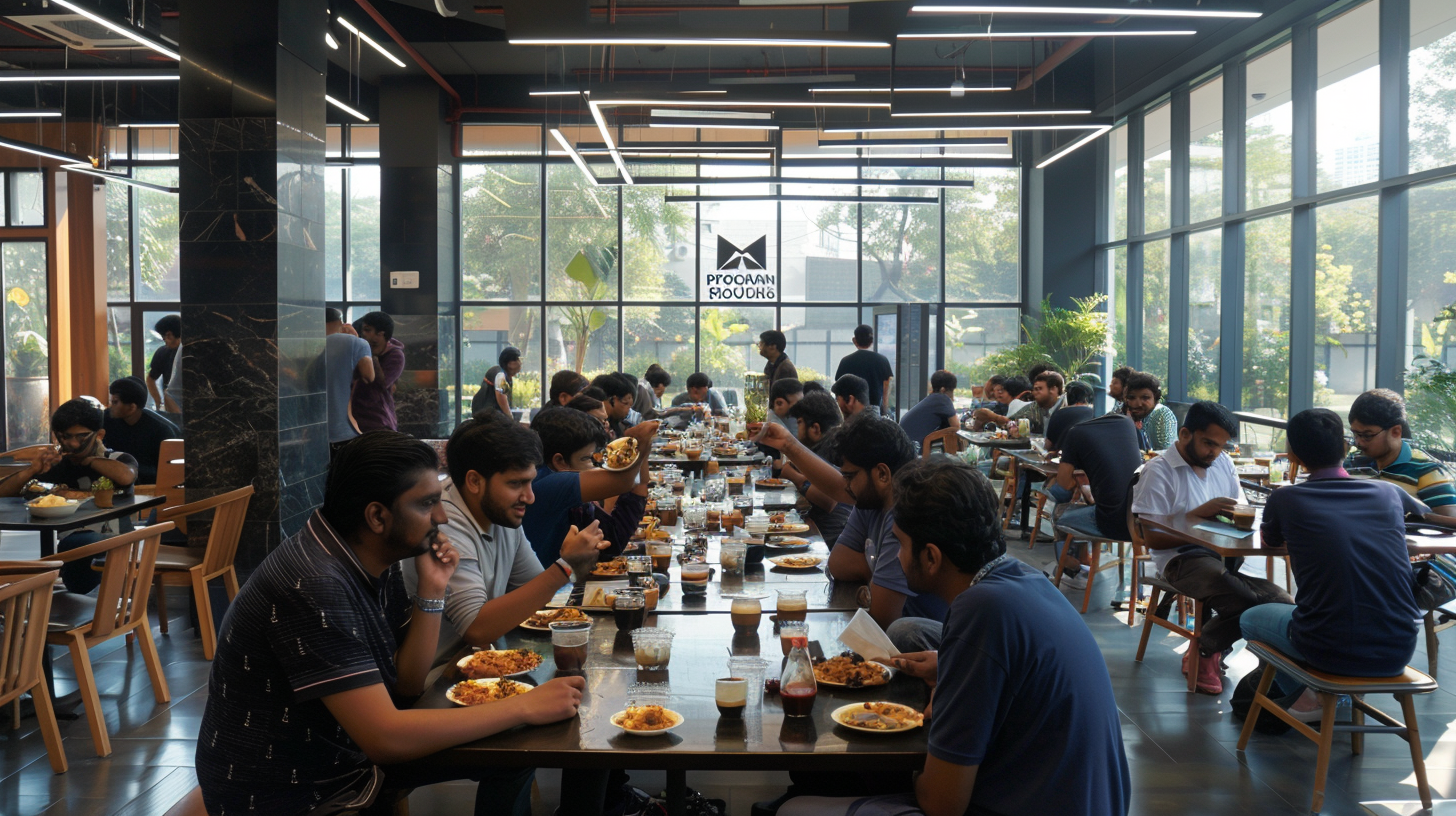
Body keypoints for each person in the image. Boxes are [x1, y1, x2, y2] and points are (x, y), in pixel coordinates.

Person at [195, 431, 585, 816]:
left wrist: (433, 590)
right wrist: (523, 707)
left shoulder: (367, 553)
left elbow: (407, 683)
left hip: (346, 757)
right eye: (428, 503)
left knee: (515, 750)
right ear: (377, 516)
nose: (442, 516)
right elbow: (384, 738)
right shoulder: (315, 584)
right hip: (300, 793)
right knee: (519, 728)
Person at [778, 458, 1130, 816]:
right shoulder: (1020, 577)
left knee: (796, 810)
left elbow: (942, 803)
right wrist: (950, 667)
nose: (895, 557)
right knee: (908, 633)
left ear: (930, 557)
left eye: (899, 544)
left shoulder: (981, 611)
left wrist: (897, 769)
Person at [1242, 409, 1429, 720]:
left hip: (1326, 647)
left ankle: (1309, 698)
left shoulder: (1286, 500)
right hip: (1400, 646)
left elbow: (1270, 543)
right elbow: (1422, 511)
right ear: (1344, 448)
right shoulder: (1388, 493)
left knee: (1249, 618)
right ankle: (1327, 698)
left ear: (1292, 454)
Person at [1130, 401, 1291, 695]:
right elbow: (1151, 538)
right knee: (1241, 597)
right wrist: (1198, 516)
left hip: (1224, 558)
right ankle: (1207, 651)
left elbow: (1237, 510)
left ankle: (1209, 646)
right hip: (1178, 561)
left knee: (1282, 603)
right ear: (1184, 433)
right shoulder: (1159, 471)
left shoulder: (1222, 463)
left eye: (1221, 446)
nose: (1214, 452)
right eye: (1208, 443)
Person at [756, 415, 947, 652]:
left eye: (850, 476)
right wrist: (879, 569)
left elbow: (881, 619)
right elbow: (838, 563)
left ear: (882, 474)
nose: (845, 486)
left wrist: (877, 577)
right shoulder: (870, 501)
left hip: (928, 645)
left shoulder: (905, 515)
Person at [0, 399, 139, 593]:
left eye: (81, 437)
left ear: (99, 435)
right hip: (67, 541)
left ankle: (84, 605)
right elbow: (3, 491)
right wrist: (32, 470)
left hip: (114, 540)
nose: (73, 444)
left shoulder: (118, 459)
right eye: (65, 437)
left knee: (80, 545)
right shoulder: (59, 465)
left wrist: (89, 460)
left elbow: (126, 476)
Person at [523, 407, 658, 565]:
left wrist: (642, 454)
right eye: (587, 459)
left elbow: (613, 541)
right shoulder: (550, 484)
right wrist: (639, 444)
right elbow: (625, 481)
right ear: (559, 461)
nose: (595, 467)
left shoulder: (564, 493)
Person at [1051, 410, 1143, 591]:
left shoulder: (1075, 433)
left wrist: (1078, 472)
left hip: (1112, 523)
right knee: (1090, 505)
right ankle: (1085, 560)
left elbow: (1064, 483)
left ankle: (1073, 569)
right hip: (1141, 524)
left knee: (1059, 513)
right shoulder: (1126, 423)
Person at [1345, 388, 1456, 515]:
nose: (1358, 442)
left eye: (1367, 435)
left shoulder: (1425, 469)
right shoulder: (1352, 463)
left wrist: (1410, 514)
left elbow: (1451, 521)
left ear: (1396, 432)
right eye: (1355, 434)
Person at [784, 392, 851, 546]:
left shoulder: (830, 448)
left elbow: (828, 500)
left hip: (828, 540)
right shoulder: (833, 444)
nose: (797, 432)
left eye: (799, 423)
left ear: (815, 428)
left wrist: (793, 476)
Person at [103, 376, 179, 485]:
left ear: (132, 407)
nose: (111, 406)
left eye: (115, 402)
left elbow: (167, 473)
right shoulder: (107, 419)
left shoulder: (161, 431)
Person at [326, 308, 375, 458]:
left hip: (309, 433)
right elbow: (369, 377)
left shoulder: (306, 342)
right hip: (343, 431)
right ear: (341, 322)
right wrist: (356, 339)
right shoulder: (356, 343)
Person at [353, 311, 406, 433]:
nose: (363, 334)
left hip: (378, 420)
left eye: (367, 330)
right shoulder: (357, 350)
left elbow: (381, 384)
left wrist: (370, 355)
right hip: (353, 417)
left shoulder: (395, 356)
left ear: (381, 334)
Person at [835, 324, 893, 411]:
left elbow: (839, 386)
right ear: (872, 340)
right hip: (874, 409)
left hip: (852, 410)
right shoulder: (882, 360)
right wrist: (884, 406)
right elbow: (887, 384)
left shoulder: (846, 361)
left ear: (854, 340)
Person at [899, 370, 958, 449]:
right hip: (914, 450)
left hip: (904, 447)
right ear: (943, 390)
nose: (952, 397)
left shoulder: (931, 399)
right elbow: (956, 427)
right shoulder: (942, 398)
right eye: (952, 391)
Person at [1123, 371, 1177, 452]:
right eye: (1132, 397)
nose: (1138, 404)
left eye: (1145, 398)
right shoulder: (1123, 414)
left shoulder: (1161, 414)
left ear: (1156, 399)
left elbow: (1165, 455)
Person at [1045, 379, 1094, 456]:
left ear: (1066, 397)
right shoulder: (1097, 413)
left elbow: (1047, 446)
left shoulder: (1059, 413)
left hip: (1068, 461)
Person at [472, 346, 521, 419]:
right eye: (516, 359)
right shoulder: (499, 374)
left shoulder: (504, 375)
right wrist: (509, 416)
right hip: (488, 415)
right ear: (509, 363)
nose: (520, 362)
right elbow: (501, 395)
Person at [147, 314, 181, 412]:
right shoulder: (163, 352)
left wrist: (160, 403)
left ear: (169, 335)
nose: (164, 341)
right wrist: (159, 403)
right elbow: (150, 379)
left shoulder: (164, 352)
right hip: (171, 403)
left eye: (163, 337)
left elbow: (150, 379)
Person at [590, 372, 636, 438]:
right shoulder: (592, 427)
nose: (628, 411)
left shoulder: (614, 424)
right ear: (611, 400)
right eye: (625, 403)